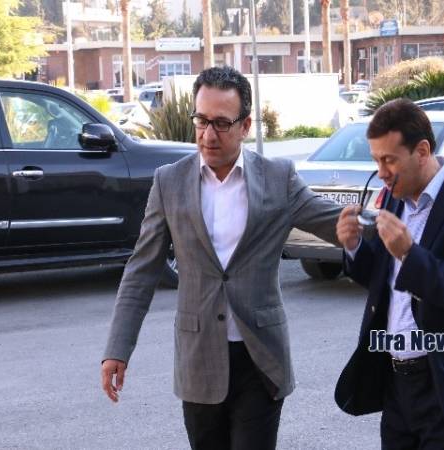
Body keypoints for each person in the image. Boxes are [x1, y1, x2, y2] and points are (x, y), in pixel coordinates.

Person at [101, 66, 342, 450]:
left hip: (260, 358)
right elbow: (141, 272)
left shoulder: (277, 177)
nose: (208, 134)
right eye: (201, 120)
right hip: (199, 360)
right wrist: (117, 348)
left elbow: (334, 223)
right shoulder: (169, 181)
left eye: (221, 123)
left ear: (245, 126)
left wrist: (401, 223)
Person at [334, 99, 444, 450]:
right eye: (376, 160)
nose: (381, 172)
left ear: (422, 151)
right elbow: (382, 280)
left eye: (389, 160)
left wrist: (410, 255)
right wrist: (353, 247)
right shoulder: (394, 198)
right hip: (396, 383)